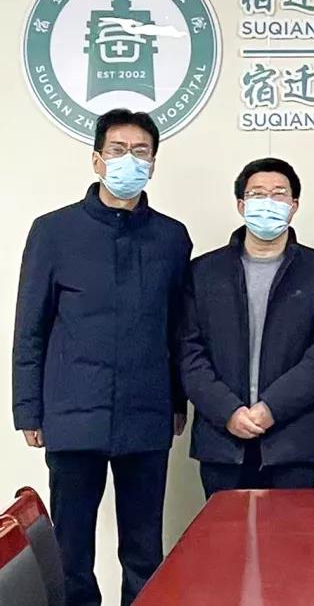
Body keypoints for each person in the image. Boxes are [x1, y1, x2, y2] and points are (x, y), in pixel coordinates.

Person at [12, 109, 191, 606]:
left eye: (140, 152)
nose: (128, 160)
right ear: (96, 159)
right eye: (117, 150)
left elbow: (179, 328)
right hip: (73, 412)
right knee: (71, 553)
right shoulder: (53, 231)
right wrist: (28, 409)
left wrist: (178, 401)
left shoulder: (172, 237)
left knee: (144, 550)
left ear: (153, 163)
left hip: (146, 412)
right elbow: (30, 326)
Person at [180, 158, 314, 497]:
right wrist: (228, 411)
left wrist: (271, 408)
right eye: (257, 194)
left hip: (294, 440)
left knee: (292, 532)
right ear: (241, 205)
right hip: (222, 439)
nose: (268, 202)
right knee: (226, 530)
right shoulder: (203, 272)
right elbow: (189, 352)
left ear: (294, 205)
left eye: (279, 194)